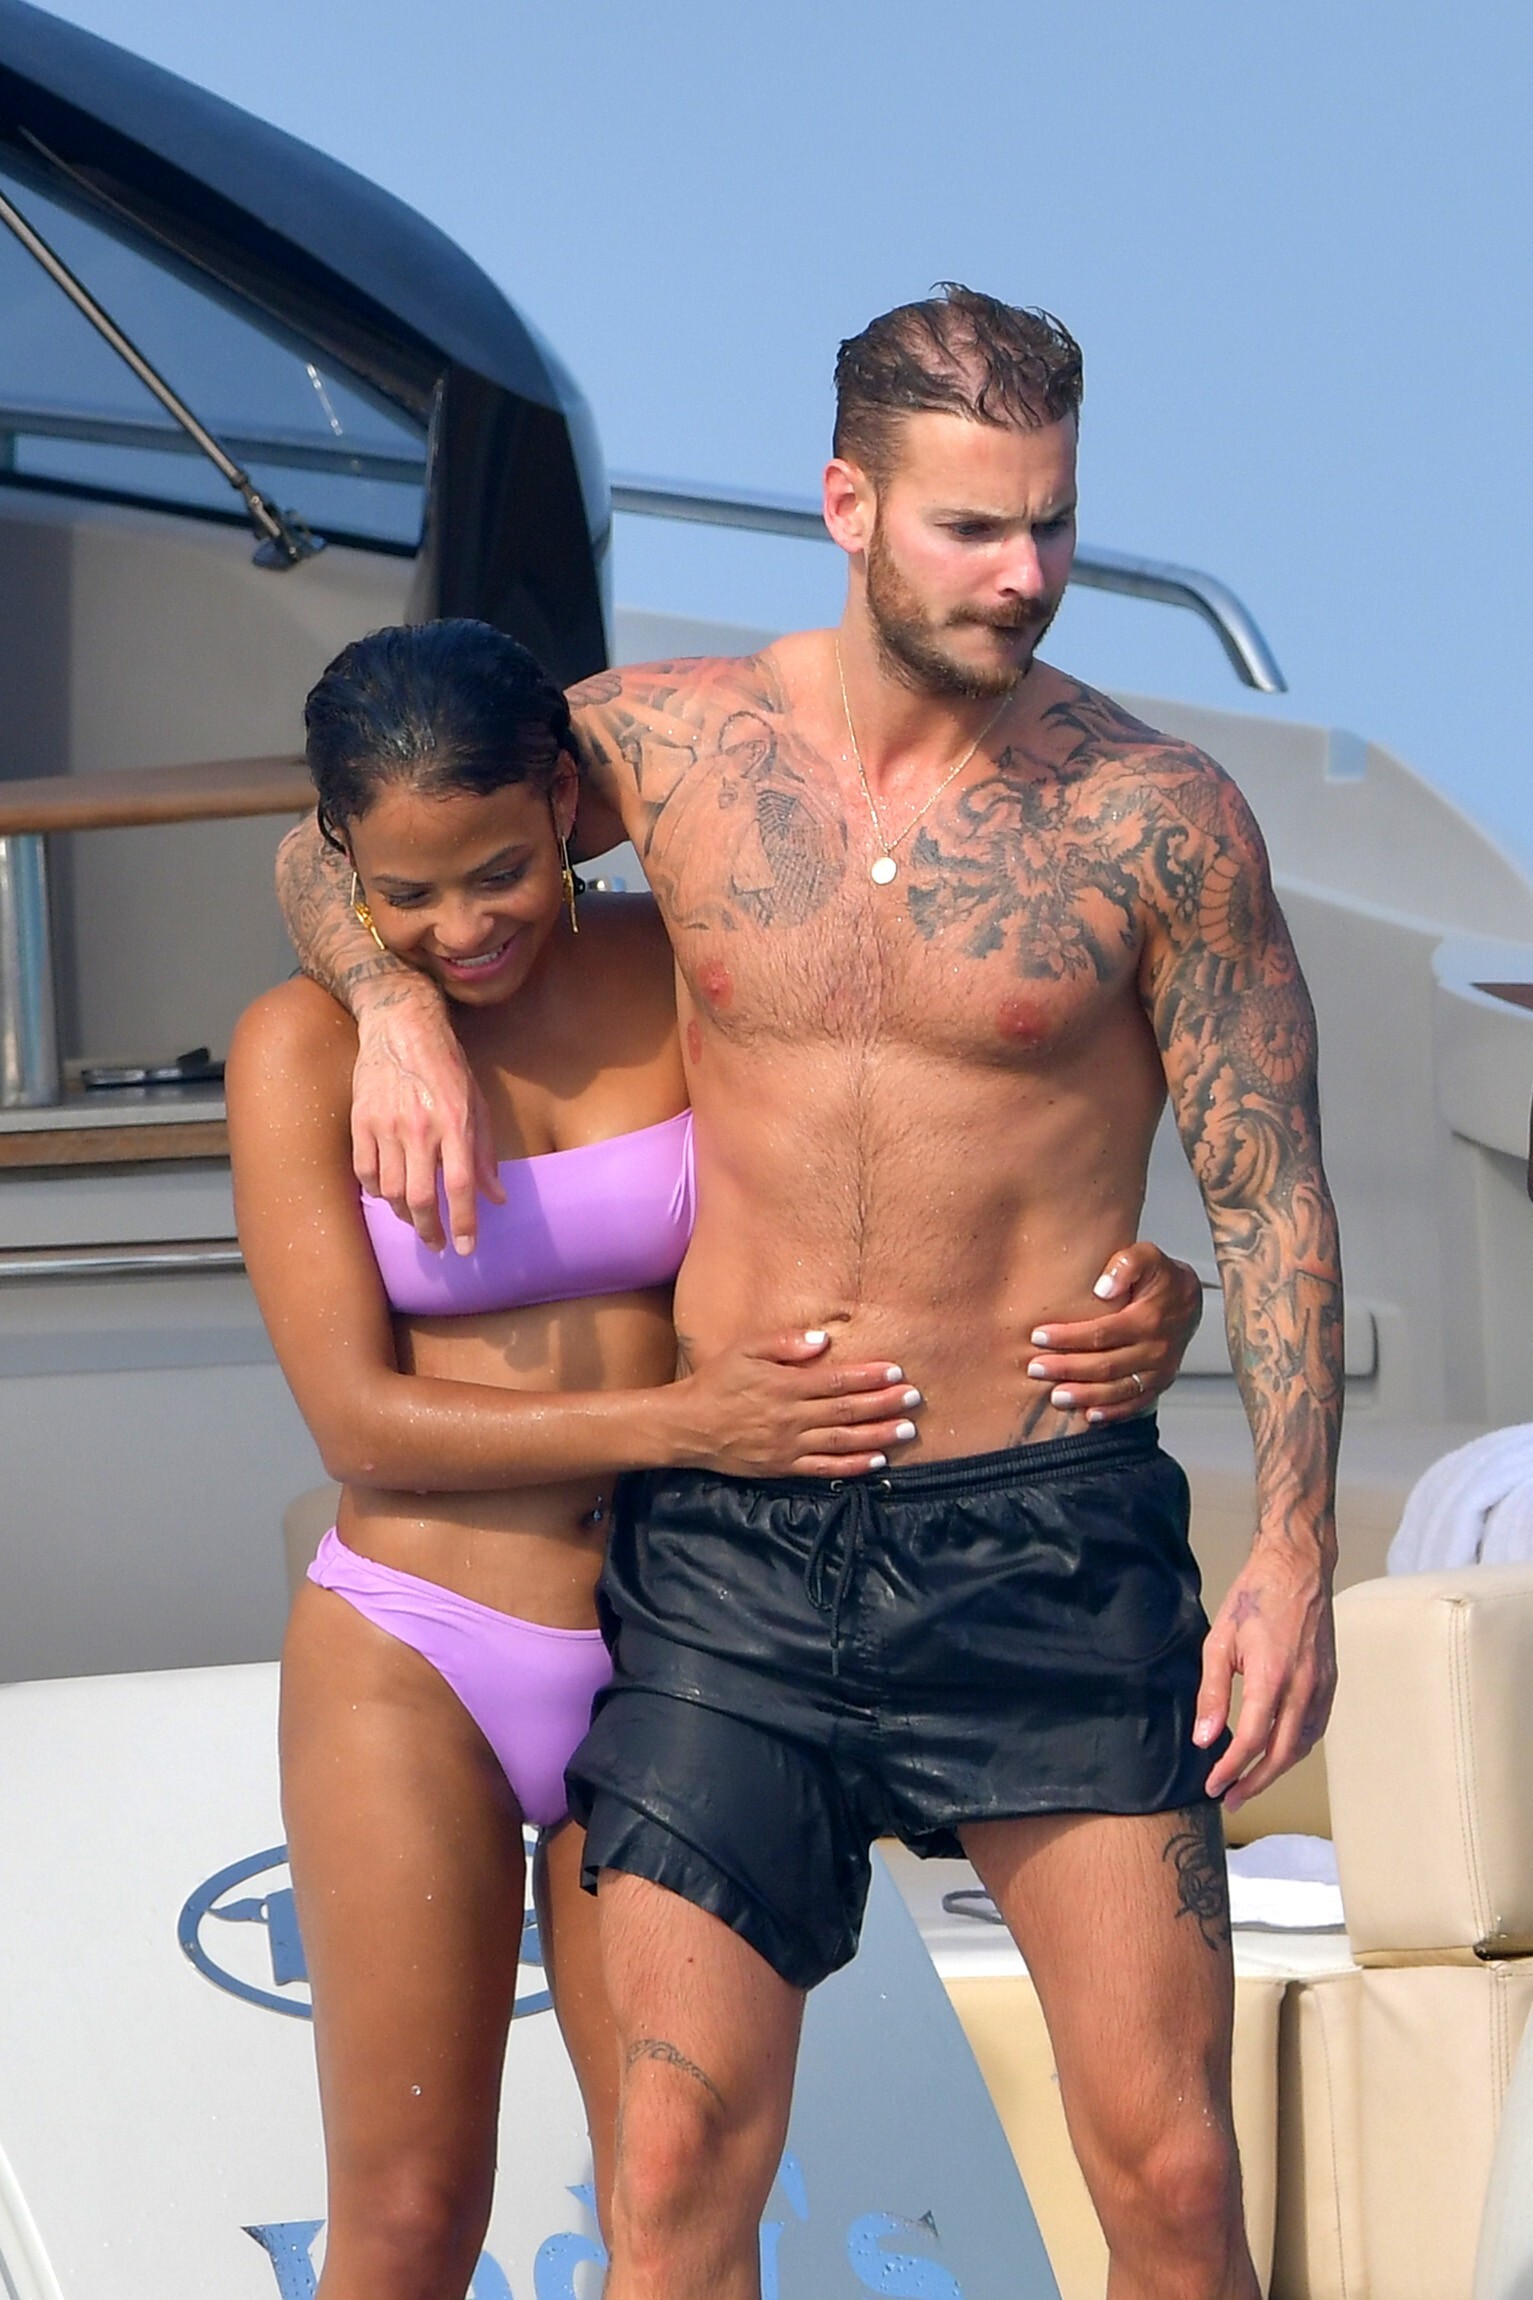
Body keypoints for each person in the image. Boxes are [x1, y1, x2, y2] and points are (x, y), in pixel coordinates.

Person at [274, 285, 1338, 2300]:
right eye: (970, 526)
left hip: (1044, 1535)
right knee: (674, 2163)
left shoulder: (1154, 813)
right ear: (846, 504)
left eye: (1051, 521)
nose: (1025, 572)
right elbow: (347, 843)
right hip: (733, 1557)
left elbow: (1268, 1182)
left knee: (1170, 2166)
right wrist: (388, 1008)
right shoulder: (667, 747)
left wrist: (1288, 1542)